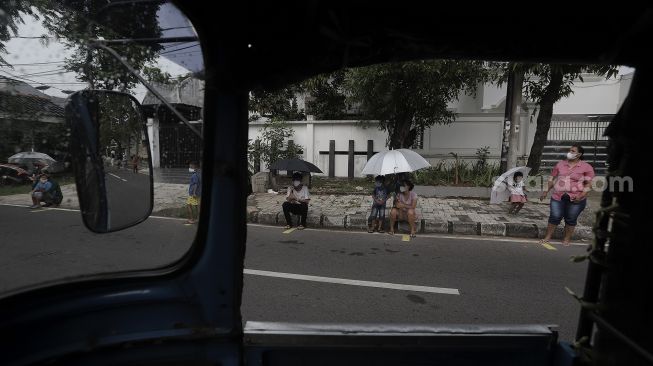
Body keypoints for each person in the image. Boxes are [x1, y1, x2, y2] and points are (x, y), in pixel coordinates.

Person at [539, 144, 595, 246]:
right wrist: (546, 191)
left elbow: (588, 184)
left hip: (576, 199)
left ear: (579, 154)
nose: (570, 152)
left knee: (570, 218)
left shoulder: (586, 167)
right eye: (570, 150)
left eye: (573, 151)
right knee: (555, 216)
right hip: (558, 196)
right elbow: (552, 178)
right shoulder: (560, 164)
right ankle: (547, 237)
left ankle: (567, 239)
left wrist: (581, 195)